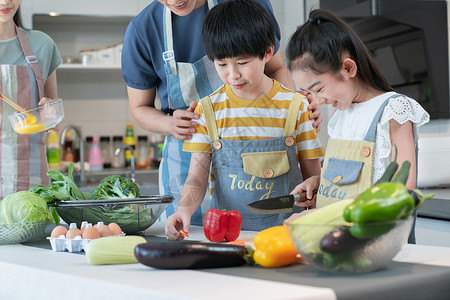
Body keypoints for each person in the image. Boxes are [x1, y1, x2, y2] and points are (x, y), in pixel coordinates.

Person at [121, 0, 322, 225]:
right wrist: (170, 124)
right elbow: (140, 108)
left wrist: (294, 109)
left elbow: (314, 178)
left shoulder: (250, 6)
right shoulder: (144, 29)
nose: (233, 75)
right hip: (190, 143)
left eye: (242, 62)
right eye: (221, 64)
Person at [286, 9, 430, 212]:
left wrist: (323, 214)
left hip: (378, 238)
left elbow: (401, 189)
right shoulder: (340, 115)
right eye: (308, 92)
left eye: (318, 89)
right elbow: (349, 181)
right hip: (337, 236)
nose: (318, 100)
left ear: (348, 68)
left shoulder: (393, 109)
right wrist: (320, 186)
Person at [0, 0, 62, 199]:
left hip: (31, 182)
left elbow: (51, 106)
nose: (5, 1)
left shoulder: (42, 45)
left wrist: (49, 113)